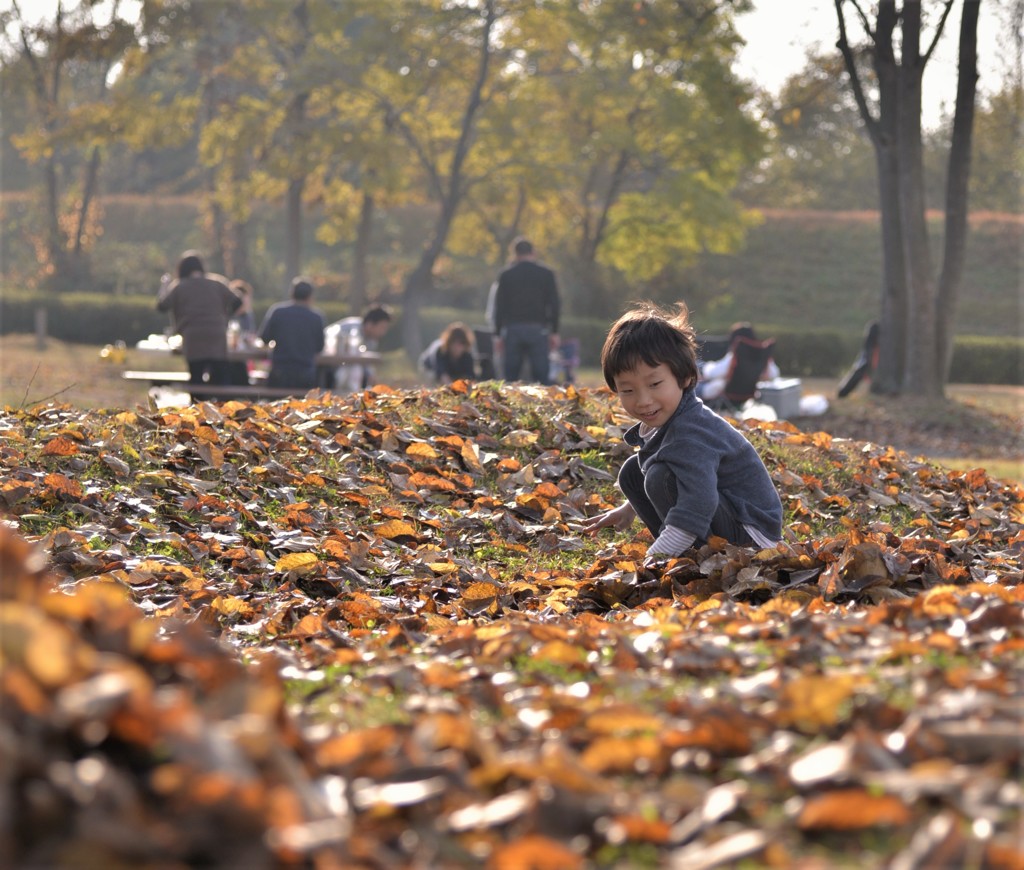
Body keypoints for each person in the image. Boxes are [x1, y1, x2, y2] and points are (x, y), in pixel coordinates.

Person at [581, 303, 782, 562]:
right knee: (634, 471)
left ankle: (691, 557)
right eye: (627, 390)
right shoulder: (674, 419)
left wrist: (653, 560)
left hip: (753, 538)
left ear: (685, 377)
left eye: (654, 384)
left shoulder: (691, 433)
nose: (643, 401)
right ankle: (683, 550)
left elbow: (699, 501)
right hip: (726, 514)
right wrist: (629, 509)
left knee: (659, 476)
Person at [156, 250, 242, 389]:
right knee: (220, 379)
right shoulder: (217, 282)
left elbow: (162, 306)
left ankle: (197, 407)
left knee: (196, 378)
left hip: (192, 336)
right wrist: (226, 318)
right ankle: (222, 408)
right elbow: (237, 301)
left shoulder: (179, 286)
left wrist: (164, 286)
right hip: (217, 334)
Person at [489, 237, 560, 384]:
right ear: (533, 252)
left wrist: (497, 334)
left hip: (513, 329)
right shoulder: (546, 274)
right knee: (541, 376)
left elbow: (499, 306)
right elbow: (554, 304)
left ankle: (510, 404)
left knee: (511, 377)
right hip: (538, 329)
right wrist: (554, 331)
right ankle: (544, 403)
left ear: (515, 253)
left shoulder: (506, 275)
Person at [257, 277, 326, 391]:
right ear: (310, 296)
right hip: (306, 373)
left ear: (292, 293)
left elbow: (264, 338)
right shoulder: (316, 317)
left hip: (279, 371)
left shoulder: (277, 312)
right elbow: (320, 347)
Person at [696, 322, 779, 403]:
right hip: (748, 394)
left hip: (724, 394)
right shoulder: (761, 355)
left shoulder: (737, 354)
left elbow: (711, 373)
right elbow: (774, 373)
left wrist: (706, 367)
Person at [324, 305, 392, 392]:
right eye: (382, 328)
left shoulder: (372, 340)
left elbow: (367, 364)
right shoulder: (352, 330)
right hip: (332, 365)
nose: (383, 332)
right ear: (370, 324)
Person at [837, 321, 880, 398]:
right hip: (867, 356)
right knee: (858, 373)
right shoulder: (874, 329)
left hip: (866, 355)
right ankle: (843, 392)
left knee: (858, 372)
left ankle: (842, 392)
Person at [227, 279, 257, 386]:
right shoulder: (226, 315)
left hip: (242, 359)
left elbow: (251, 336)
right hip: (226, 360)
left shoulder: (247, 316)